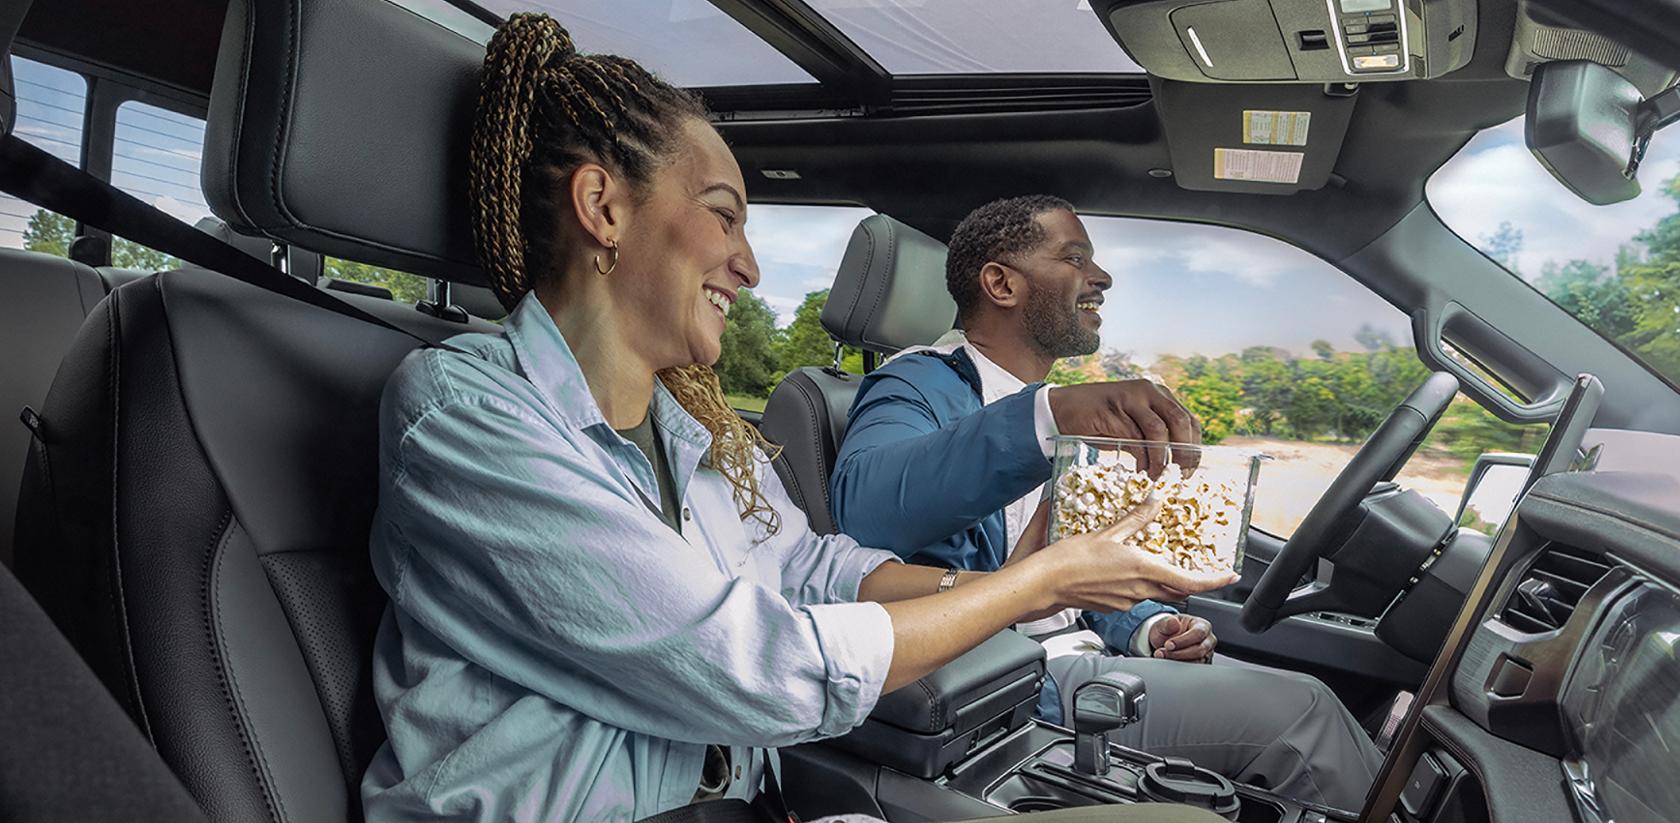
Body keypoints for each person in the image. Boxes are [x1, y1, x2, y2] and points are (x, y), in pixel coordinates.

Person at [359, 18, 1234, 822]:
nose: (749, 265)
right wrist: (1035, 586)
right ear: (605, 207)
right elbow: (748, 663)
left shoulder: (689, 430)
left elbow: (814, 566)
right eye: (725, 216)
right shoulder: (466, 415)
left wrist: (1037, 573)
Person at [831, 195, 1384, 812]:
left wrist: (1147, 629)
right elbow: (866, 507)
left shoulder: (1054, 408)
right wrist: (1045, 417)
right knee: (1303, 713)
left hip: (1080, 658)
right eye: (1074, 258)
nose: (1102, 278)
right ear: (1000, 283)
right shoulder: (917, 382)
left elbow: (1073, 567)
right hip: (1011, 680)